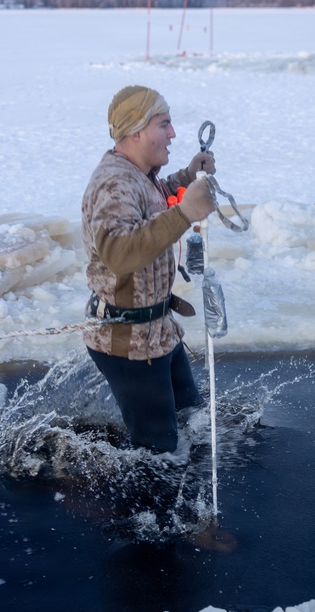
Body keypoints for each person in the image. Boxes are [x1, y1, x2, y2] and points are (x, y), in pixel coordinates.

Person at [81, 85, 216, 453]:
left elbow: (151, 206)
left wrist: (186, 178)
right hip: (128, 341)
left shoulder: (139, 173)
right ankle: (145, 508)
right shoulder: (114, 182)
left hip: (157, 330)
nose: (173, 133)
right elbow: (120, 253)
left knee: (191, 418)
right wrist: (187, 212)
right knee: (156, 450)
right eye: (164, 124)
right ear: (136, 131)